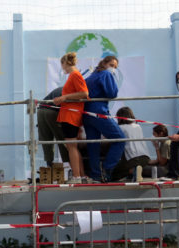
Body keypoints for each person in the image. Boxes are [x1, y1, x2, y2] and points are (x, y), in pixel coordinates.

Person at [83, 55, 125, 183]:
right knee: (120, 139)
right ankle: (107, 170)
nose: (113, 69)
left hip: (86, 112)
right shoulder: (106, 74)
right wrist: (113, 79)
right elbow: (112, 93)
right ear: (105, 63)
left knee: (93, 144)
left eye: (115, 67)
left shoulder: (91, 76)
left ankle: (96, 175)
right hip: (98, 110)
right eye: (112, 65)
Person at [53, 52, 89, 184]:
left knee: (71, 146)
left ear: (65, 63)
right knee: (73, 146)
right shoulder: (73, 75)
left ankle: (76, 176)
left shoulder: (74, 75)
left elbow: (84, 93)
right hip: (70, 113)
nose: (62, 68)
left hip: (71, 115)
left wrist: (64, 97)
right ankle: (81, 175)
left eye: (61, 65)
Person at [111, 107, 150, 182]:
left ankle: (132, 171)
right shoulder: (138, 126)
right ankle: (134, 172)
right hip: (145, 158)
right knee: (127, 165)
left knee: (113, 173)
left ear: (120, 117)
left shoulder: (120, 128)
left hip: (132, 159)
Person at [38, 87, 69, 167]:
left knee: (46, 140)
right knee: (63, 139)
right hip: (52, 111)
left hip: (41, 110)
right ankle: (69, 166)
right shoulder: (72, 90)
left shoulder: (62, 88)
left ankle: (49, 166)